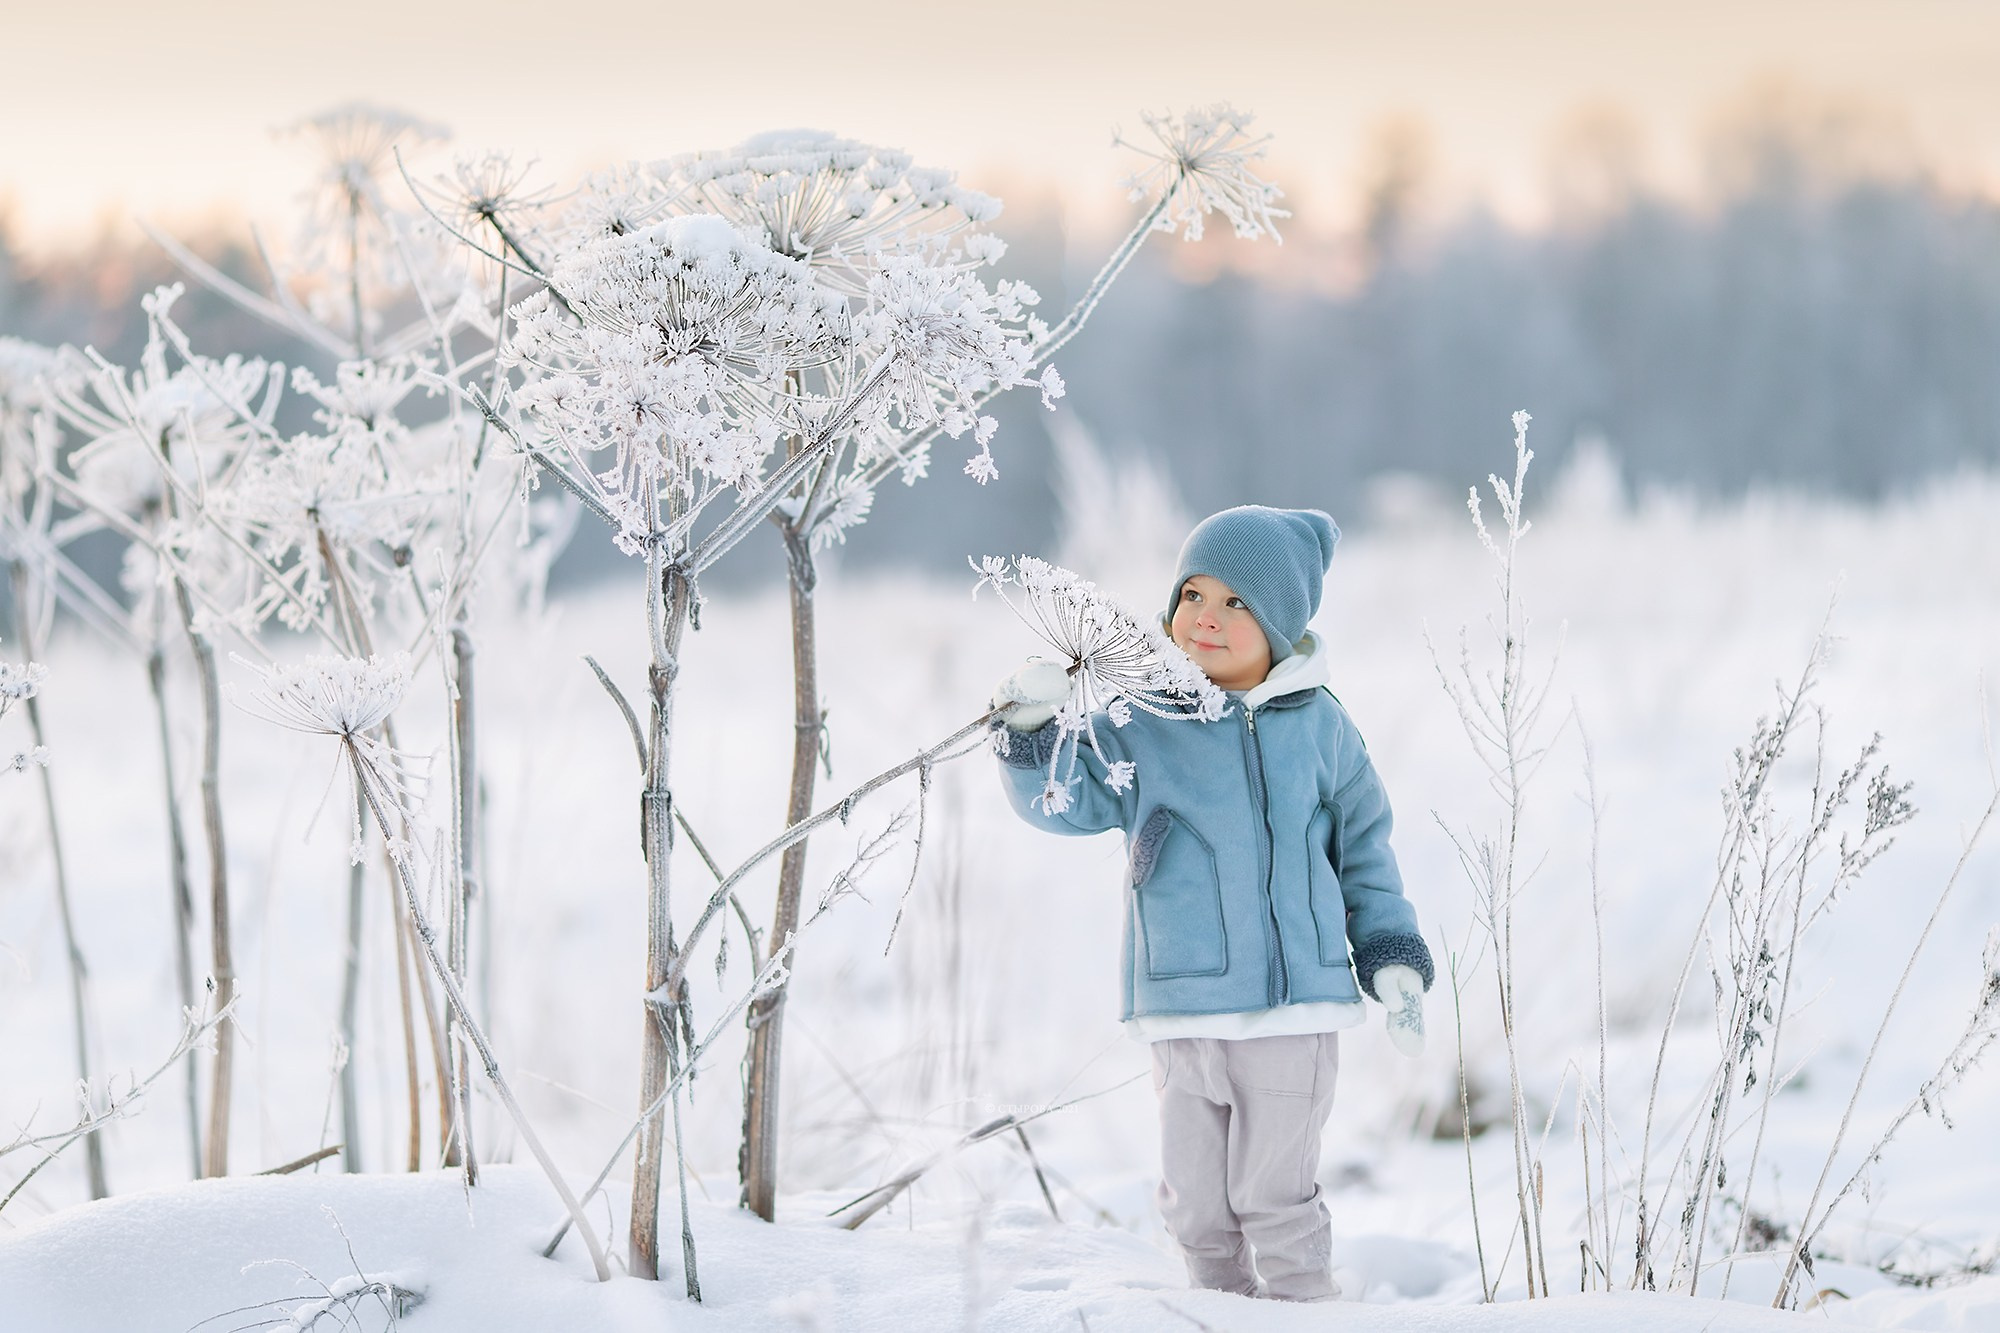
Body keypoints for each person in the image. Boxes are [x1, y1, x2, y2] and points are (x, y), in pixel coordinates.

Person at [989, 505, 1432, 1303]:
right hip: (1182, 1004)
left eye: (1236, 603)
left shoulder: (1323, 727)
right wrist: (1029, 729)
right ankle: (1216, 1315)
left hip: (1293, 1014)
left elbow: (1366, 849)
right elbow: (1065, 798)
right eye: (1193, 594)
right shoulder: (1145, 722)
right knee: (1196, 1209)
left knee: (1277, 1204)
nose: (1207, 618)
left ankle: (1304, 1314)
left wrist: (1390, 955)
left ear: (1280, 622)